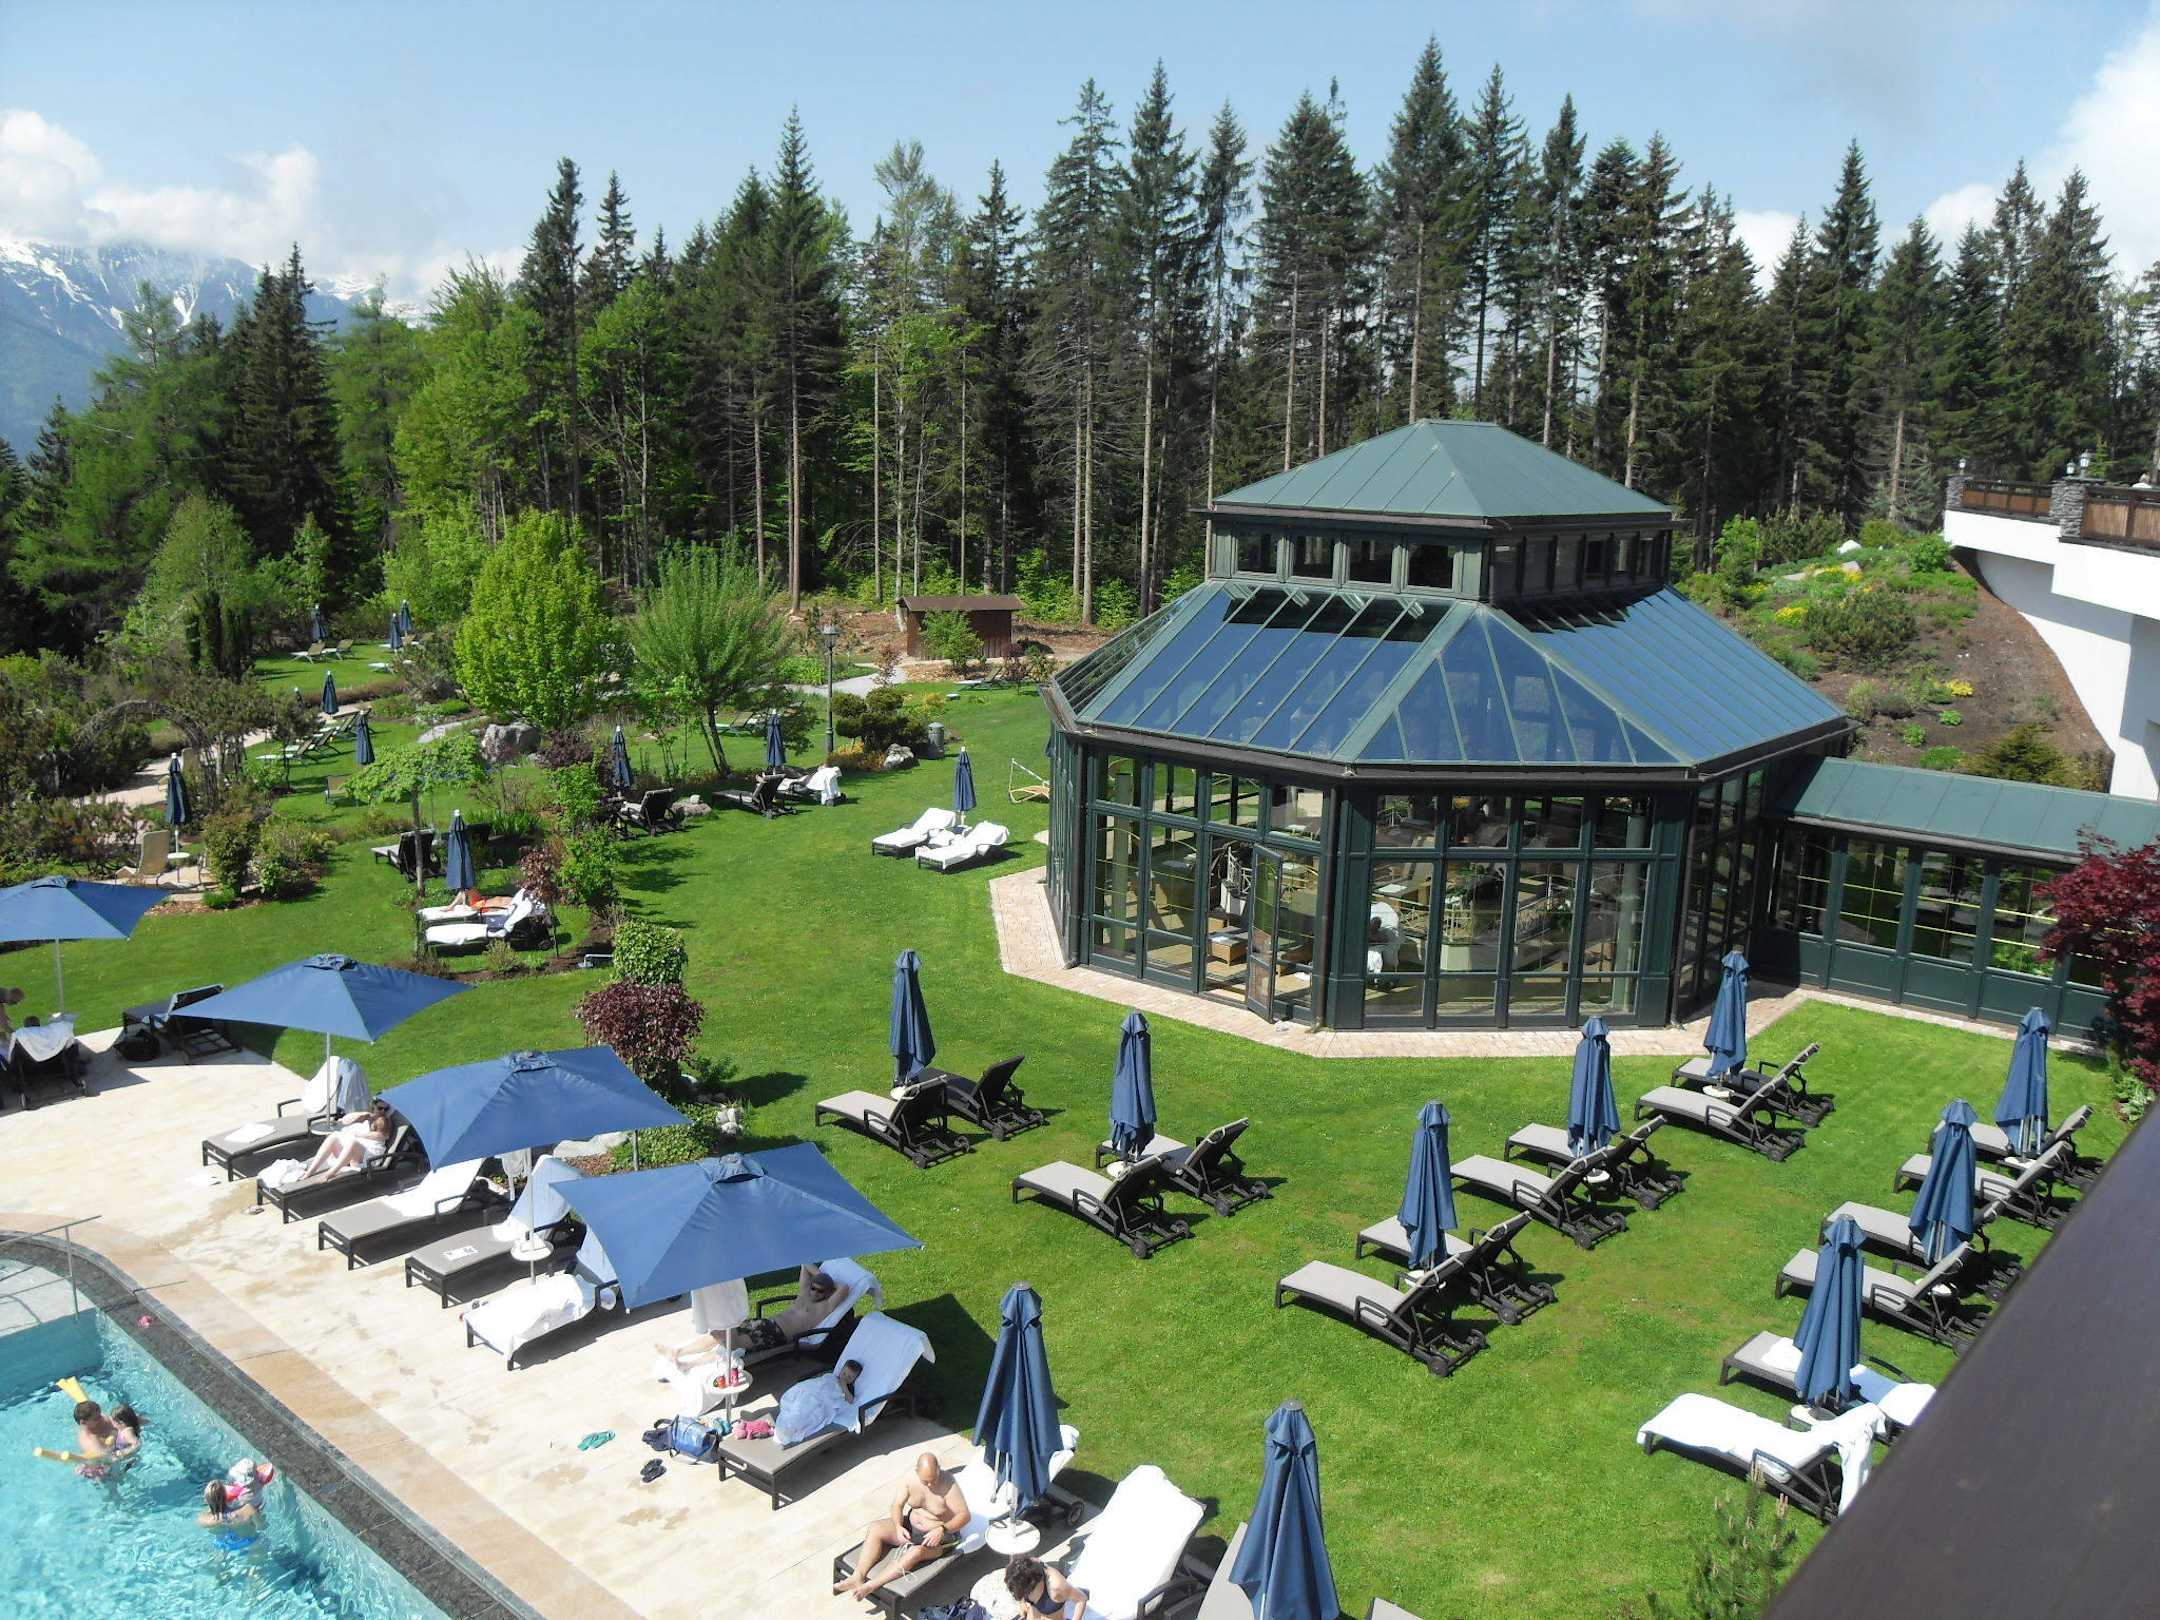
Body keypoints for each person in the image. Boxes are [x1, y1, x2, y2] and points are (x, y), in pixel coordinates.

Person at [833, 1451, 970, 1602]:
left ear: (938, 1469)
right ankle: (858, 1576)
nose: (930, 1485)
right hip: (911, 1528)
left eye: (934, 1479)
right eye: (925, 1481)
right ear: (917, 1472)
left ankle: (872, 1585)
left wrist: (942, 1529)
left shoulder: (948, 1484)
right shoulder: (909, 1479)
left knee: (916, 1551)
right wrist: (898, 1526)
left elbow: (964, 1515)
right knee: (876, 1527)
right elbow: (897, 1505)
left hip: (940, 1538)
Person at [293, 1099, 393, 1180]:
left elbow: (384, 1136)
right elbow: (345, 1120)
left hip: (368, 1156)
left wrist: (359, 1135)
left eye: (386, 1109)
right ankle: (311, 1170)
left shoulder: (383, 1121)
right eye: (380, 1108)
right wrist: (363, 1114)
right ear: (373, 1106)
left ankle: (329, 1174)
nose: (383, 1111)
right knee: (333, 1137)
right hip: (352, 1154)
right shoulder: (367, 1117)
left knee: (353, 1143)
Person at [773, 1358, 860, 1446]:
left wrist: (844, 1387)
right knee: (801, 1404)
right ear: (841, 1370)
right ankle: (789, 1424)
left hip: (823, 1402)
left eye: (849, 1377)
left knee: (810, 1412)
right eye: (844, 1373)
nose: (845, 1377)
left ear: (854, 1379)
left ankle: (791, 1427)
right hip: (813, 1393)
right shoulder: (831, 1377)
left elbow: (850, 1400)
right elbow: (819, 1383)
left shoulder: (848, 1389)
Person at [1004, 1554, 1087, 1619]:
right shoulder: (1023, 1566)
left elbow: (1082, 1599)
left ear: (1032, 1584)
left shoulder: (1056, 1586)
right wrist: (1022, 1603)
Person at [198, 1478, 261, 1549]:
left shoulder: (204, 1519)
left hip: (223, 1545)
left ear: (206, 1501)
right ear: (227, 1496)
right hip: (248, 1542)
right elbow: (262, 1526)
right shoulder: (248, 1509)